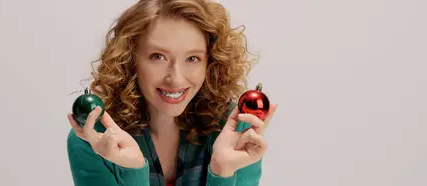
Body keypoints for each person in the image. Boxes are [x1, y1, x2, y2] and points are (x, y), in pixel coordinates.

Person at [66, 0, 277, 185]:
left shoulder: (237, 131)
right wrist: (132, 171)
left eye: (192, 59)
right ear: (130, 59)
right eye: (158, 56)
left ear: (211, 63)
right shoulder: (94, 137)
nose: (175, 78)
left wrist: (223, 171)